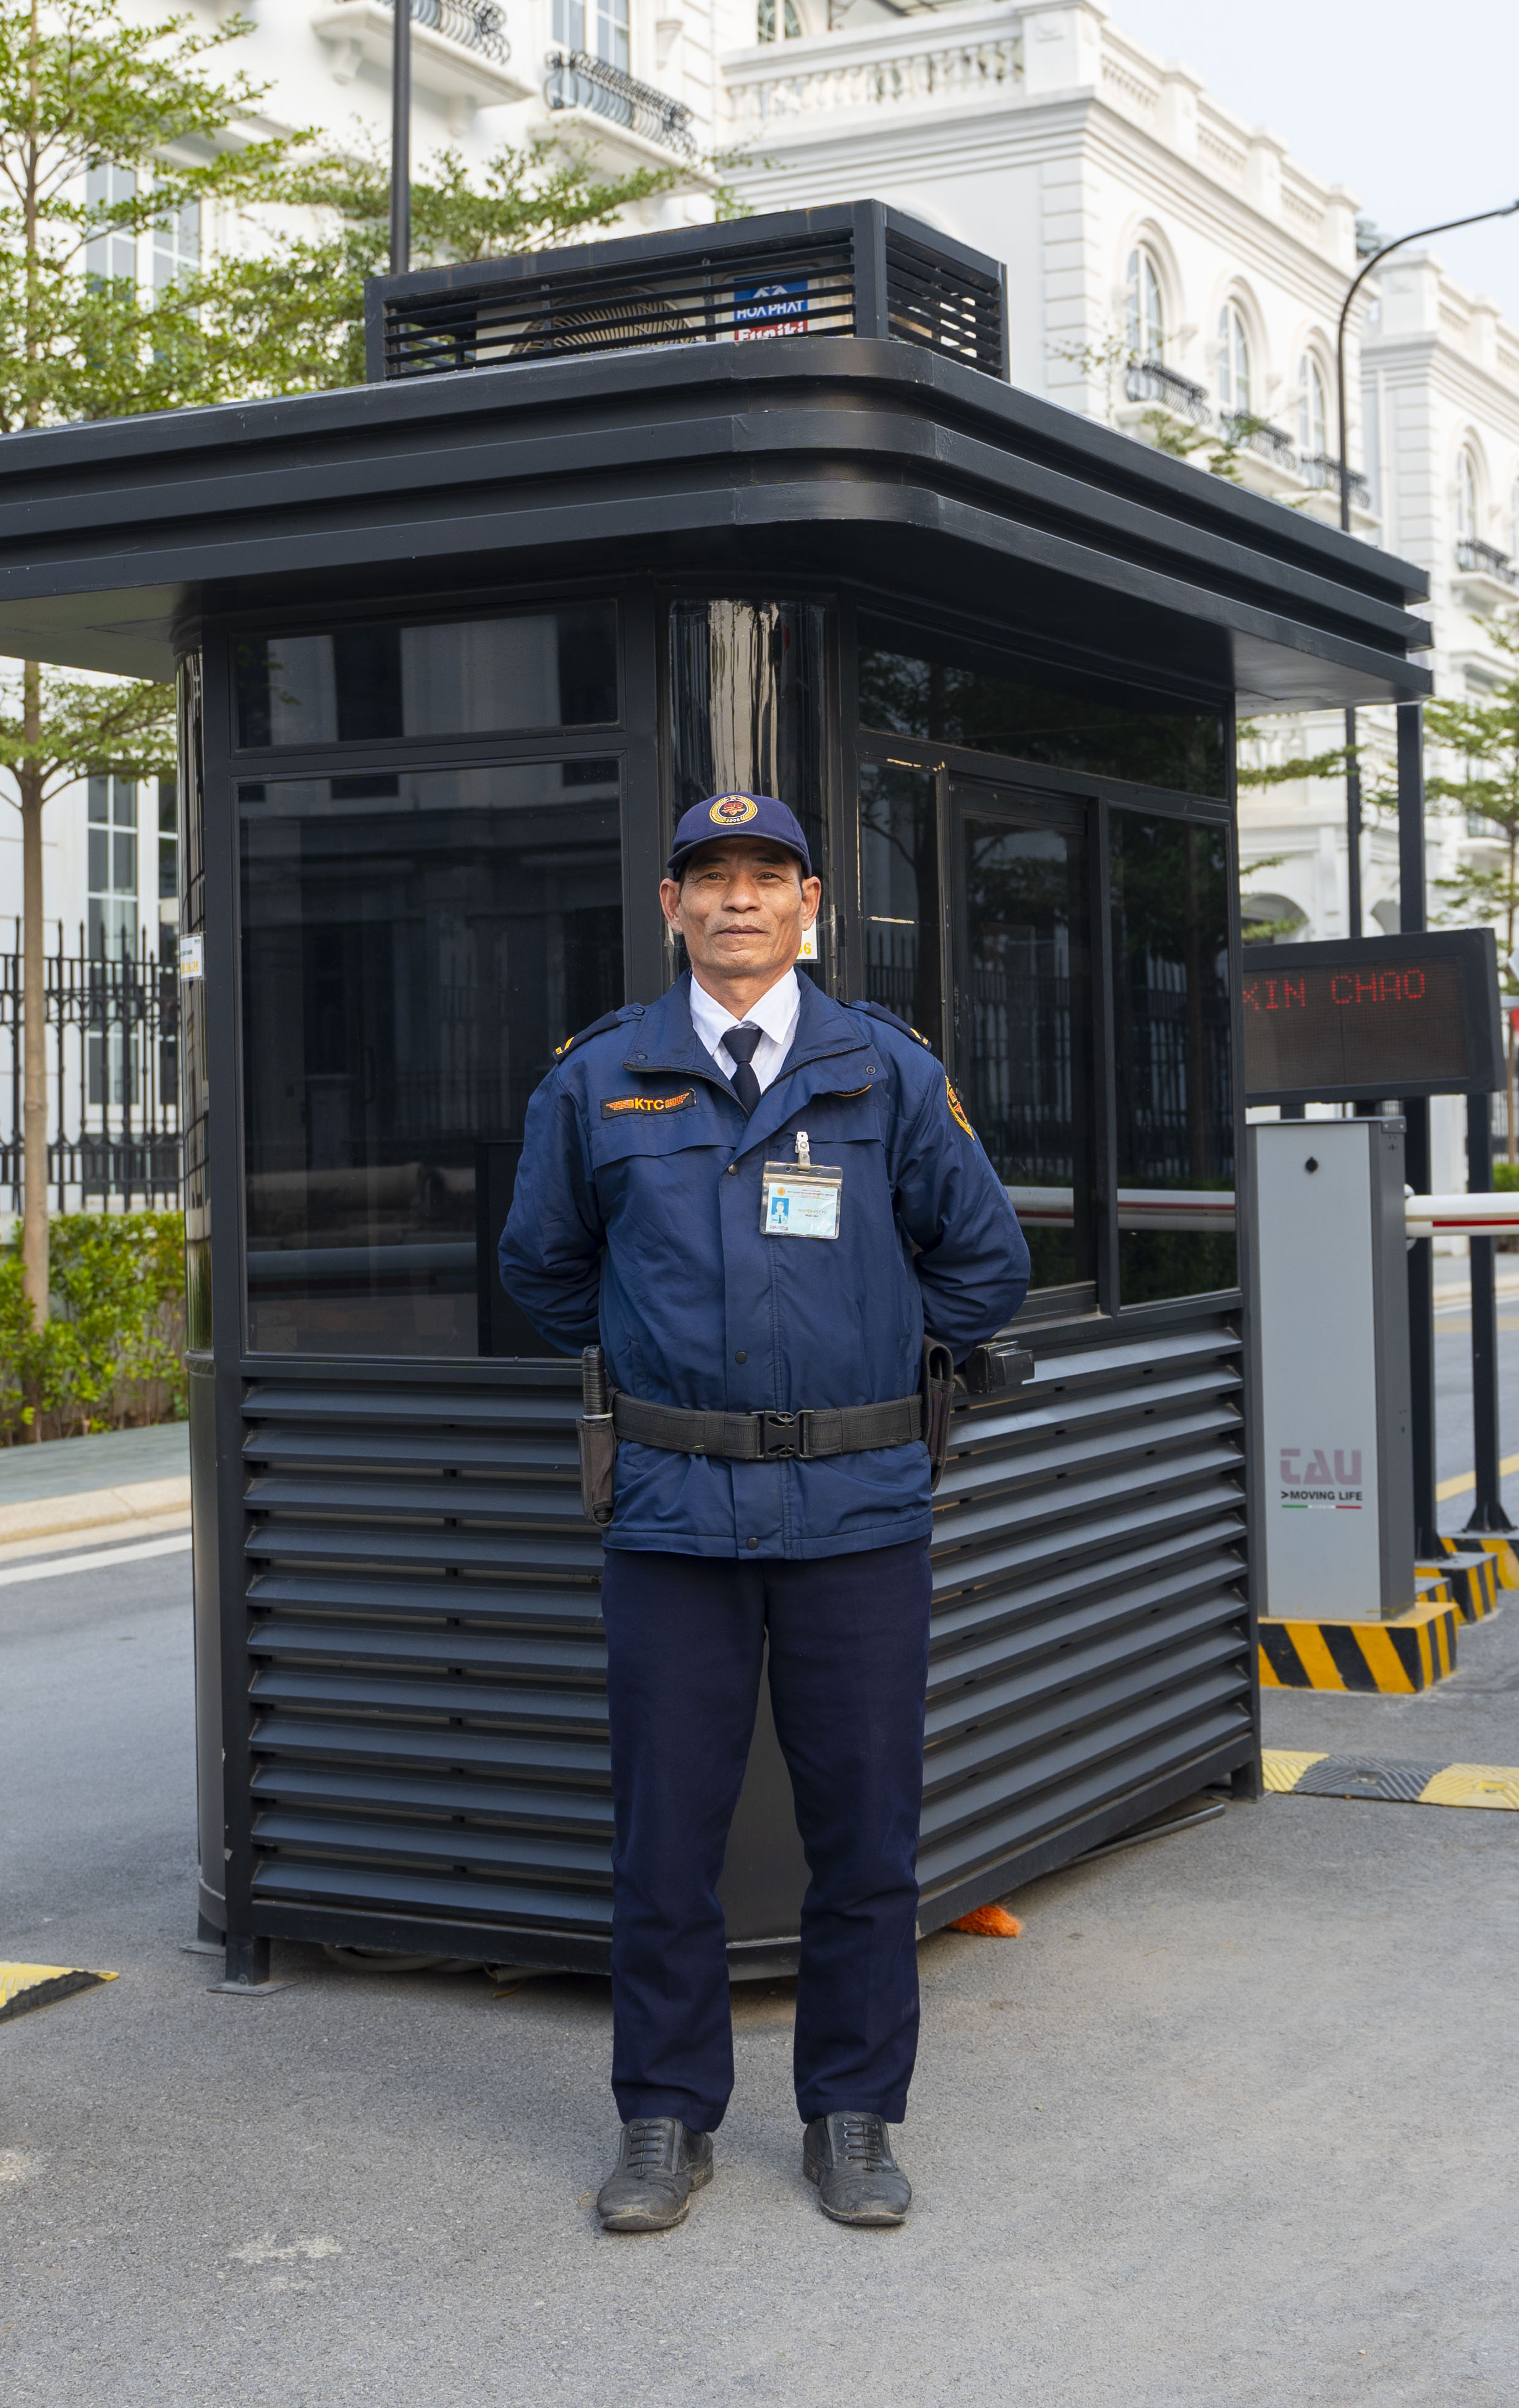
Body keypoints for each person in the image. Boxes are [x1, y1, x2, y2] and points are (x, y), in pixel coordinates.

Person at [498, 792, 1029, 2234]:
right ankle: (663, 2116)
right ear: (670, 905)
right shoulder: (599, 1078)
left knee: (867, 1828)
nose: (740, 900)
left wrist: (868, 1351)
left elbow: (985, 1261)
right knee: (665, 1832)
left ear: (811, 906)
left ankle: (853, 2113)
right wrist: (668, 1365)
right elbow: (544, 1269)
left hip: (860, 1503)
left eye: (767, 877)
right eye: (710, 877)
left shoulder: (887, 1072)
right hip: (673, 1505)